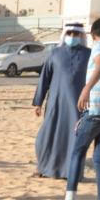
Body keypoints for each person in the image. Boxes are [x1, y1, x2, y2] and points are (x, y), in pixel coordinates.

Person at [51, 17, 100, 200]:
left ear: (93, 35)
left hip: (97, 109)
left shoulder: (99, 47)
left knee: (77, 152)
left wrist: (86, 89)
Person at [32, 22, 91, 179]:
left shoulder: (89, 54)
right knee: (46, 137)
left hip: (78, 105)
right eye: (69, 33)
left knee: (74, 138)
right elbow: (44, 78)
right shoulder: (55, 53)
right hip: (55, 103)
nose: (72, 36)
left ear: (81, 35)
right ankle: (43, 168)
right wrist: (38, 102)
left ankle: (70, 172)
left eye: (76, 34)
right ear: (65, 35)